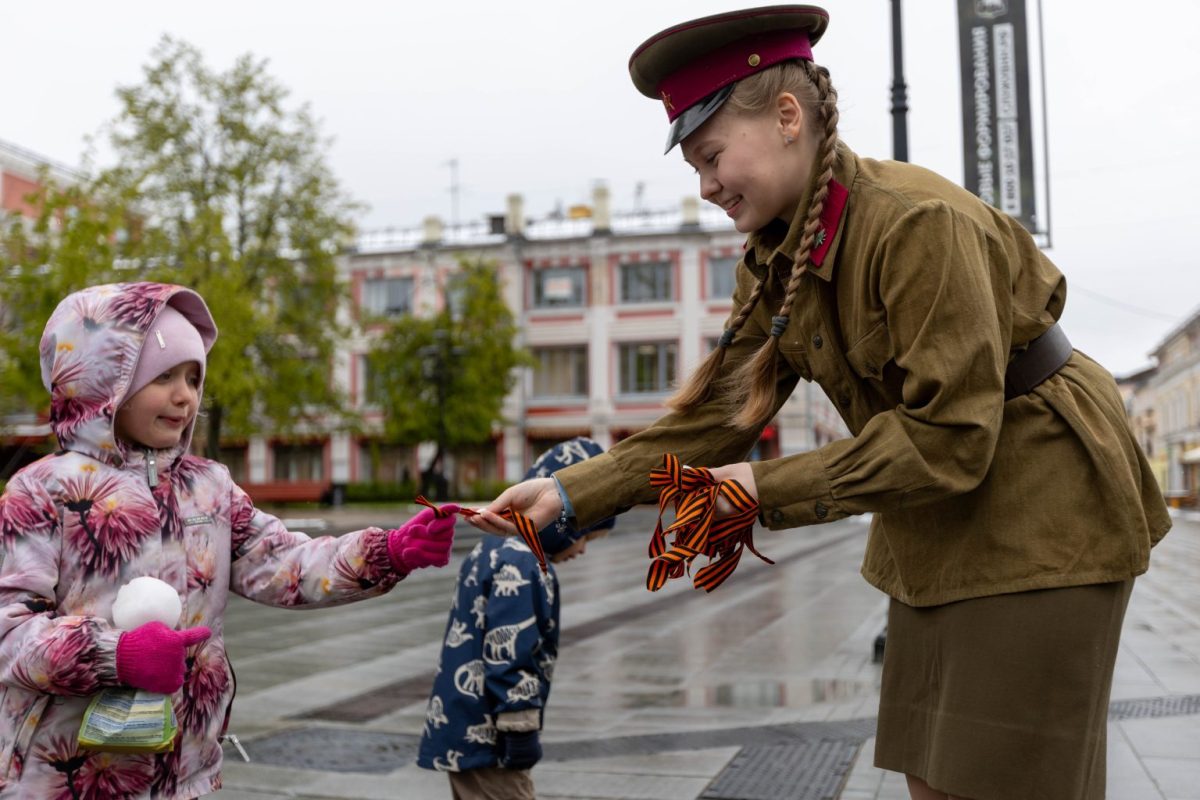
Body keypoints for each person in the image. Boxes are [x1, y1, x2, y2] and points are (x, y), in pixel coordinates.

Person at [467, 7, 1172, 800]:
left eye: (711, 156)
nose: (704, 187)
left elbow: (948, 439)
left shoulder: (916, 223)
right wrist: (567, 495)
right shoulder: (776, 251)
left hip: (1045, 508)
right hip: (938, 520)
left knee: (1010, 783)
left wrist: (754, 492)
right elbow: (719, 418)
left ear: (788, 117)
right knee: (933, 782)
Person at [0, 281, 458, 799]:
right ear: (104, 380)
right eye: (163, 376)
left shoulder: (208, 488)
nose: (184, 396)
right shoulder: (42, 491)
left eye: (194, 379)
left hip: (185, 772)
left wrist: (387, 552)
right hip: (65, 776)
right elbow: (10, 631)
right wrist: (116, 654)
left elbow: (280, 562)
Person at [418, 437, 614, 800]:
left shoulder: (495, 548)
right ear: (561, 522)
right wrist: (519, 728)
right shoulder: (523, 562)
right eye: (586, 535)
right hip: (490, 737)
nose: (583, 550)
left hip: (463, 724)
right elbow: (509, 652)